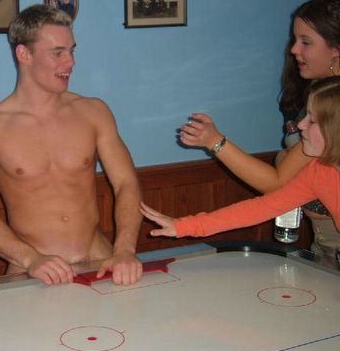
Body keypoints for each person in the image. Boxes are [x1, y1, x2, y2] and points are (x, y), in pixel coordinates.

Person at [0, 4, 144, 286]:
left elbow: (126, 183)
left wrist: (125, 249)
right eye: (57, 53)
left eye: (72, 51)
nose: (70, 63)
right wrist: (31, 259)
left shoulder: (94, 112)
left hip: (100, 262)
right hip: (33, 272)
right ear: (24, 54)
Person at [177, 0, 340, 267]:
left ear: (336, 49)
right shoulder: (316, 100)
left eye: (306, 42)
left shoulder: (331, 114)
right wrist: (183, 226)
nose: (294, 50)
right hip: (323, 242)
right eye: (295, 40)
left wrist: (215, 141)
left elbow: (276, 182)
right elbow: (264, 204)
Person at [141, 77, 340, 248]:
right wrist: (182, 226)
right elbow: (262, 208)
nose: (301, 124)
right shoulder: (320, 171)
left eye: (312, 120)